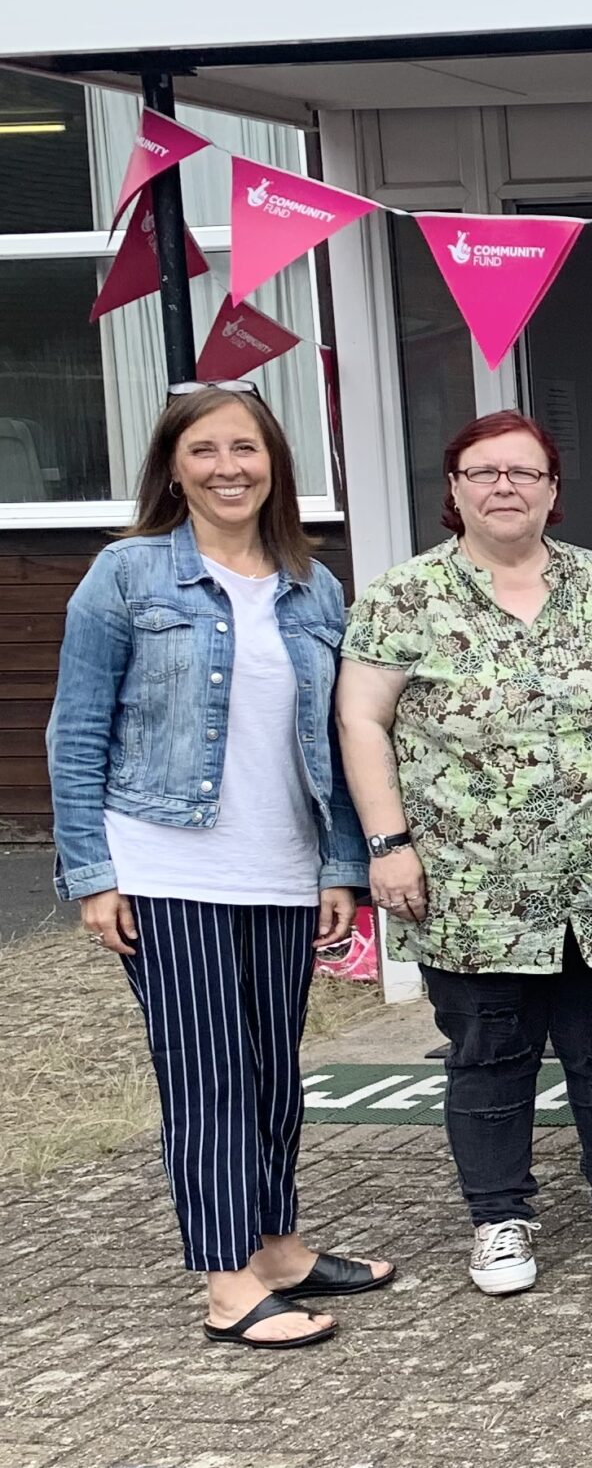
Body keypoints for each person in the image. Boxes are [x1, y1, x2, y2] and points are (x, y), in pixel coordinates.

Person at [46, 385, 394, 1349]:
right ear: (173, 466)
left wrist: (337, 866)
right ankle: (228, 1285)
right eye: (204, 451)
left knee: (274, 1072)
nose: (228, 467)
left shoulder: (312, 586)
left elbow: (327, 739)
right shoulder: (126, 575)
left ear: (275, 463)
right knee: (207, 1077)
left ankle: (277, 1246)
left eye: (246, 448)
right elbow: (75, 731)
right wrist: (92, 873)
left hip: (281, 867)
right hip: (166, 863)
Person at [337, 411, 592, 1298]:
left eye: (524, 473)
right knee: (488, 1053)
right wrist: (388, 844)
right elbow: (362, 720)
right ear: (454, 491)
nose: (505, 487)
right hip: (472, 882)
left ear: (553, 491)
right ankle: (501, 1218)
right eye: (484, 472)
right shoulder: (402, 597)